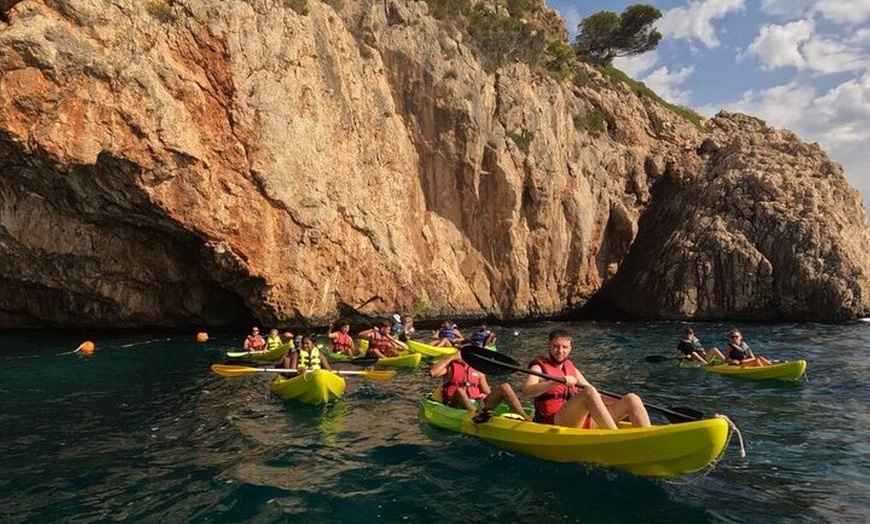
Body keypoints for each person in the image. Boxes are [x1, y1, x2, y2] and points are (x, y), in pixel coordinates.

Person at [522, 329, 651, 429]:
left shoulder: (571, 369)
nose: (560, 351)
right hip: (554, 421)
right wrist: (555, 381)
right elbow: (527, 392)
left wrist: (617, 399)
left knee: (632, 399)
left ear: (570, 349)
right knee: (588, 392)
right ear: (549, 346)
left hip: (580, 419)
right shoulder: (538, 367)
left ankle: (648, 438)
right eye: (556, 346)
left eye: (564, 347)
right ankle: (614, 436)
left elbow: (595, 396)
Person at [429, 351, 530, 422]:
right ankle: (477, 416)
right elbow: (432, 372)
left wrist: (484, 395)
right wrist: (451, 357)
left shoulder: (478, 371)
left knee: (505, 387)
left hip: (478, 404)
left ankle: (525, 418)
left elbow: (487, 392)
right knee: (459, 390)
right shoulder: (450, 367)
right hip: (455, 404)